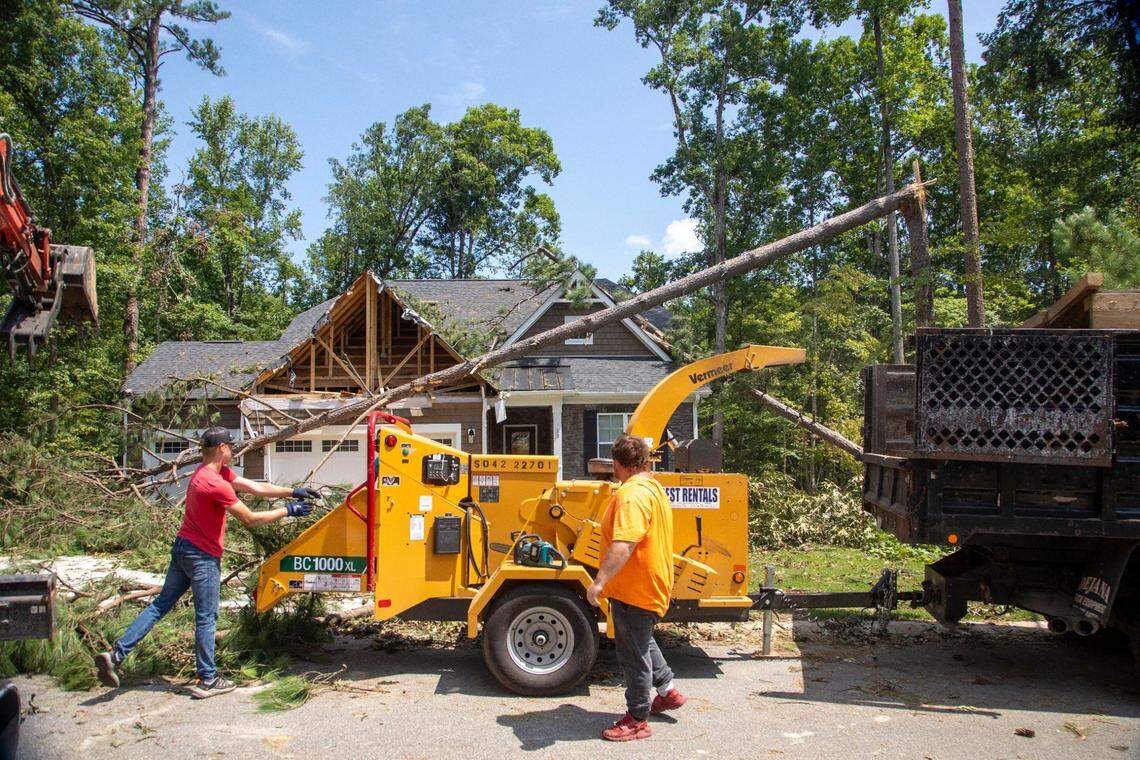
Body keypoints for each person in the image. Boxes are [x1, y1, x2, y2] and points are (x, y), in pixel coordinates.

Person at [94, 427, 319, 698]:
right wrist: (288, 511)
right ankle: (208, 679)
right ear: (222, 448)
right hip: (202, 556)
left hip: (183, 548)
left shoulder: (211, 472)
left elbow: (255, 487)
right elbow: (249, 518)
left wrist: (292, 492)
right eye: (231, 447)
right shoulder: (214, 483)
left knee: (160, 605)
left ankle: (116, 655)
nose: (234, 452)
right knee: (206, 616)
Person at [586, 433, 686, 742]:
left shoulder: (631, 495)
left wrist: (599, 581)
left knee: (633, 653)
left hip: (636, 586)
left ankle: (638, 718)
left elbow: (624, 542)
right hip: (648, 582)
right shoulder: (652, 487)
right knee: (643, 642)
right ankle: (668, 692)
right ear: (644, 461)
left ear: (617, 464)